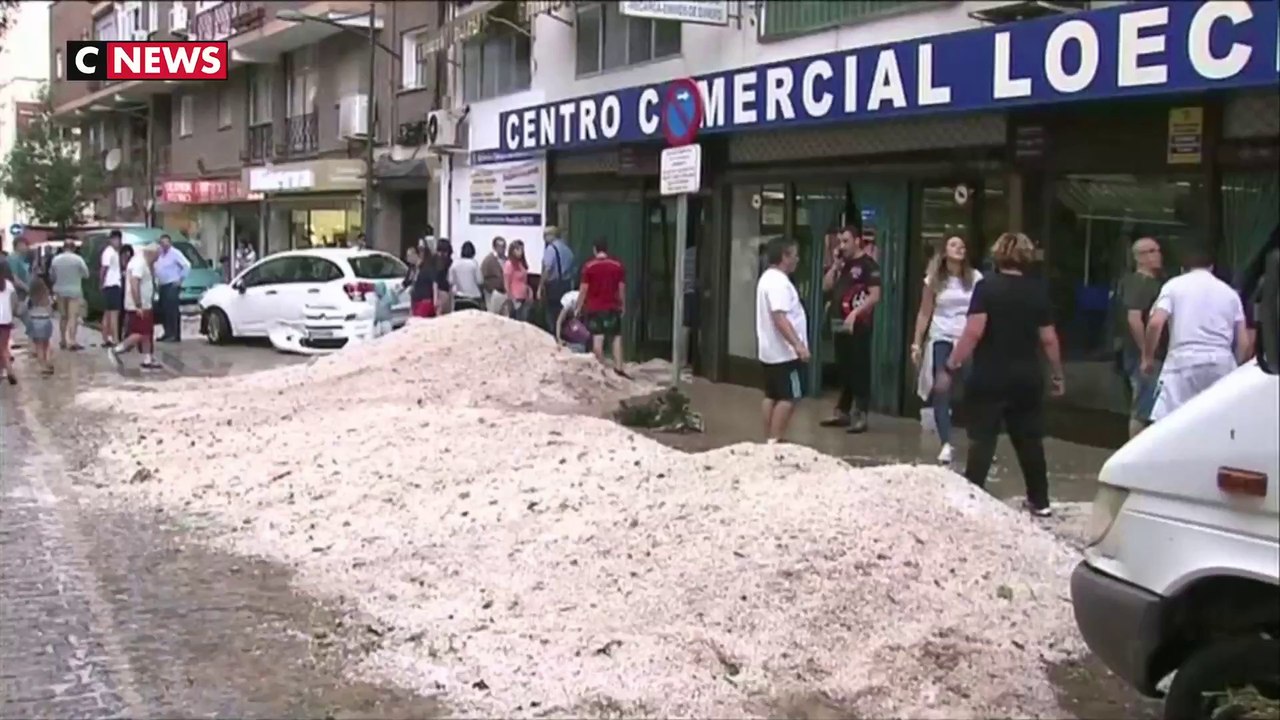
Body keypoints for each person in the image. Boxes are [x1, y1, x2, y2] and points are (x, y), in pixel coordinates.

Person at [936, 232, 1064, 518]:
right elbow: (1049, 339)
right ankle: (1040, 500)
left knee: (982, 440)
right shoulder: (1037, 290)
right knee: (1029, 441)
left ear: (998, 255)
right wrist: (1057, 374)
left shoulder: (986, 288)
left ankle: (973, 498)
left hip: (990, 375)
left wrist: (951, 364)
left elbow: (973, 332)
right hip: (1027, 377)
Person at [1142, 241, 1249, 423]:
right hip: (1222, 362)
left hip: (1182, 362)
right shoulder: (1230, 294)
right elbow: (1244, 342)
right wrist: (1234, 365)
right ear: (1212, 267)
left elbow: (1155, 323)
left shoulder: (1174, 286)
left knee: (1170, 424)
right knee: (1216, 422)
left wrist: (1147, 358)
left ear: (1183, 268)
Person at [910, 236, 982, 464]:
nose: (960, 248)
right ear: (944, 252)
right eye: (953, 245)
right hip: (941, 337)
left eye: (962, 245)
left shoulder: (975, 278)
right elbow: (924, 312)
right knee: (942, 389)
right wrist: (916, 343)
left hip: (966, 338)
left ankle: (978, 441)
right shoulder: (934, 280)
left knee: (973, 388)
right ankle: (946, 443)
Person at [819, 226, 881, 434]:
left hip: (858, 324)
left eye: (846, 241)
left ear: (857, 240)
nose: (842, 246)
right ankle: (843, 411)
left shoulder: (868, 265)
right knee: (843, 366)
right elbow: (826, 286)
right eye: (840, 242)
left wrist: (856, 313)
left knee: (859, 367)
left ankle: (861, 413)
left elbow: (875, 296)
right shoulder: (842, 264)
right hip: (839, 322)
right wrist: (835, 267)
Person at [756, 237, 810, 444]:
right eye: (795, 255)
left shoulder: (766, 279)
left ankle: (769, 436)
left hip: (769, 352)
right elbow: (779, 317)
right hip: (785, 354)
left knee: (771, 395)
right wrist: (798, 345)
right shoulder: (779, 283)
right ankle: (775, 439)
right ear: (784, 257)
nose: (797, 259)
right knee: (789, 397)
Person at [1115, 237, 1166, 437]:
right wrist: (1147, 353)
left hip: (1145, 354)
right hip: (1142, 355)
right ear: (1138, 257)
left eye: (1157, 250)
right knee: (1143, 407)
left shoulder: (1147, 283)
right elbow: (1134, 318)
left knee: (1147, 404)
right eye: (1151, 251)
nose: (1157, 255)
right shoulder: (1140, 283)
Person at [576, 238, 627, 375]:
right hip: (613, 306)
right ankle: (619, 368)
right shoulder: (617, 266)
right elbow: (621, 287)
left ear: (595, 249)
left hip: (595, 308)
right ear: (606, 249)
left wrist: (578, 306)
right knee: (616, 336)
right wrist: (623, 304)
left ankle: (601, 369)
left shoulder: (589, 267)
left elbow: (584, 289)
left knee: (598, 338)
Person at [108, 245, 162, 370]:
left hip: (146, 304)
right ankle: (116, 350)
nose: (157, 260)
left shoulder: (145, 263)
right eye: (156, 257)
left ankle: (148, 358)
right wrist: (138, 304)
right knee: (140, 333)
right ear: (151, 253)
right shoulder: (139, 263)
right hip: (138, 306)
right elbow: (134, 283)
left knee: (147, 332)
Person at [50, 240, 89, 350]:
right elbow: (86, 274)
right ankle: (72, 340)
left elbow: (52, 276)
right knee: (73, 317)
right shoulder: (78, 259)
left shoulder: (55, 260)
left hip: (59, 290)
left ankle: (62, 340)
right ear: (74, 248)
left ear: (63, 248)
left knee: (63, 316)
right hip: (74, 290)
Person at [154, 234, 191, 342]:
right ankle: (167, 332)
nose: (164, 245)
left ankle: (175, 334)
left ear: (170, 243)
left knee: (172, 310)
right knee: (163, 310)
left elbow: (186, 265)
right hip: (162, 285)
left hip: (172, 284)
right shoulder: (160, 254)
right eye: (162, 243)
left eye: (166, 242)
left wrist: (180, 279)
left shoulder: (175, 253)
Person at [538, 226, 576, 332]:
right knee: (564, 312)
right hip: (566, 284)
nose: (544, 239)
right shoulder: (567, 249)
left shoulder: (551, 249)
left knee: (552, 315)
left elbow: (547, 269)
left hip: (554, 286)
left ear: (552, 236)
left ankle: (554, 334)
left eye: (545, 235)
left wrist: (540, 287)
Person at [25, 278, 56, 376]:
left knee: (38, 347)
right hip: (45, 322)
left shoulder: (29, 299)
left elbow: (26, 310)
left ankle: (43, 366)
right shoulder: (47, 298)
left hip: (34, 322)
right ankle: (48, 361)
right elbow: (51, 312)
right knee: (46, 344)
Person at [100, 230, 125, 347]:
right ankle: (115, 339)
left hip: (112, 284)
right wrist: (102, 282)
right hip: (112, 285)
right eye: (116, 239)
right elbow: (104, 268)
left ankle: (106, 338)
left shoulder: (114, 252)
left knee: (108, 313)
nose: (118, 242)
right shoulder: (109, 252)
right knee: (114, 313)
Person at [447, 241, 485, 312]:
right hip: (474, 297)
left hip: (459, 297)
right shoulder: (474, 264)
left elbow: (450, 281)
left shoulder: (455, 264)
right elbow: (480, 281)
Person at [504, 240, 532, 321]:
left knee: (524, 319)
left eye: (522, 249)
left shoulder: (521, 263)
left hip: (524, 297)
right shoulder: (509, 264)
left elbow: (524, 280)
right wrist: (511, 299)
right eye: (518, 249)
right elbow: (506, 283)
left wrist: (529, 291)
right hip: (515, 298)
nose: (520, 252)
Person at [409, 243, 439, 318]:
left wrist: (435, 300)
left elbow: (434, 283)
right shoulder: (414, 269)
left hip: (424, 300)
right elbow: (412, 282)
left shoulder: (428, 268)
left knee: (418, 320)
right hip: (416, 299)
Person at [0, 264, 17, 385]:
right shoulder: (8, 284)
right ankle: (2, 372)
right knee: (3, 346)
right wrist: (12, 315)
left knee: (2, 348)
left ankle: (9, 371)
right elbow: (14, 301)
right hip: (6, 319)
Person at [481, 236, 508, 314]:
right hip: (493, 293)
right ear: (494, 247)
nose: (502, 249)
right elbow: (483, 277)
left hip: (505, 293)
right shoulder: (488, 260)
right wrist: (491, 289)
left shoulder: (507, 260)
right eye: (500, 246)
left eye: (504, 246)